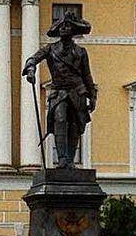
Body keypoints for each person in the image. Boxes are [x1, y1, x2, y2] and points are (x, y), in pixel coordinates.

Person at [21, 12, 97, 167]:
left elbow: (87, 75)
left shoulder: (81, 52)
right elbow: (33, 59)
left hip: (77, 91)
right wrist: (30, 69)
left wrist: (93, 95)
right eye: (61, 25)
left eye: (67, 25)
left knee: (75, 125)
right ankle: (62, 158)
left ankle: (70, 160)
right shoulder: (51, 49)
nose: (63, 28)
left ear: (74, 30)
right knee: (60, 120)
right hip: (59, 91)